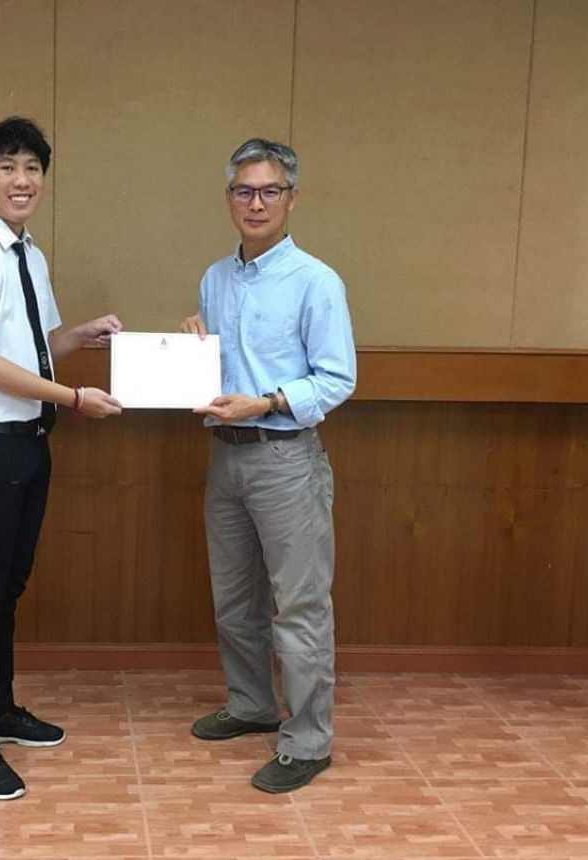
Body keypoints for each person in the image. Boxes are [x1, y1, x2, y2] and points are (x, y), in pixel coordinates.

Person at [0, 116, 122, 800]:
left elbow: (32, 351)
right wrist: (74, 398)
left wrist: (82, 336)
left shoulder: (27, 253)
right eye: (7, 167)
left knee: (7, 588)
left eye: (33, 168)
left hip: (27, 443)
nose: (22, 180)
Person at [180, 137, 356, 793]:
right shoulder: (215, 278)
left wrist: (269, 401)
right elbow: (223, 374)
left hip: (285, 459)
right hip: (225, 455)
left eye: (269, 191)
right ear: (229, 198)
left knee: (298, 604)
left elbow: (337, 379)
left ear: (291, 199)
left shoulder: (316, 281)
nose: (255, 203)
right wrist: (192, 354)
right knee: (234, 598)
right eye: (244, 191)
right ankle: (251, 703)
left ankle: (308, 741)